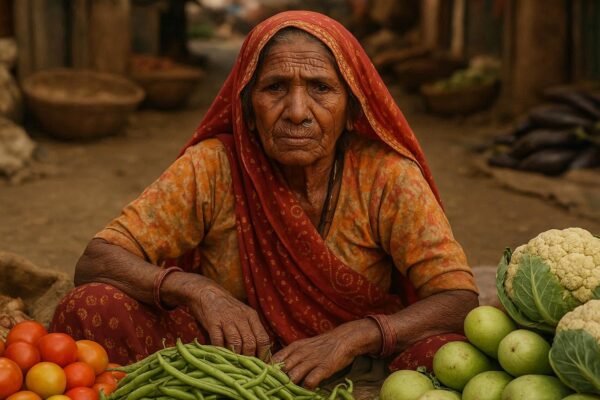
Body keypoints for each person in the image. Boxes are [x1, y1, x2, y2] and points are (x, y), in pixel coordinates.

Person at [51, 11, 479, 388]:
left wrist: (352, 337)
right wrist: (199, 291)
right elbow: (96, 261)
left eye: (320, 88)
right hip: (227, 360)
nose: (296, 110)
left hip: (359, 361)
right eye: (275, 87)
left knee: (445, 356)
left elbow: (457, 300)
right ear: (246, 109)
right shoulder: (213, 166)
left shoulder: (388, 177)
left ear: (352, 109)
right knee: (91, 307)